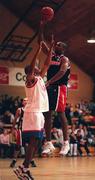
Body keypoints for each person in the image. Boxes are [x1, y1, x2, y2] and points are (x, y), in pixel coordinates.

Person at [14, 40, 54, 179]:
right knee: (33, 142)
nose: (37, 67)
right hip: (33, 113)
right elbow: (32, 67)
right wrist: (37, 51)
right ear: (30, 72)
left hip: (38, 113)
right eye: (35, 67)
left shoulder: (39, 78)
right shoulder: (30, 80)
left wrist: (50, 50)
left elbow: (47, 64)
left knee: (35, 143)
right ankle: (24, 168)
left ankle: (23, 168)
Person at [39, 23, 70, 156]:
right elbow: (40, 41)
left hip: (60, 88)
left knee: (61, 113)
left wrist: (49, 81)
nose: (56, 45)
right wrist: (41, 27)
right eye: (55, 44)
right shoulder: (51, 56)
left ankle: (66, 143)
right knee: (48, 114)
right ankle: (48, 142)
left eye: (58, 45)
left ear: (63, 49)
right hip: (50, 87)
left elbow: (62, 72)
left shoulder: (65, 59)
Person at [10, 98, 36, 168]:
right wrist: (12, 129)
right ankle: (14, 160)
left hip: (29, 129)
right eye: (24, 100)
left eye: (27, 100)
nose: (25, 101)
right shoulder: (19, 110)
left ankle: (31, 160)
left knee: (29, 146)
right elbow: (15, 120)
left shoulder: (32, 109)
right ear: (22, 103)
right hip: (21, 130)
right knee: (18, 145)